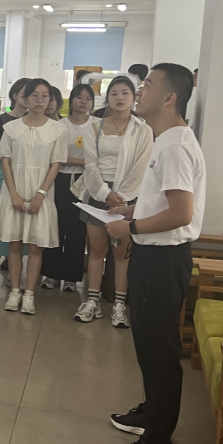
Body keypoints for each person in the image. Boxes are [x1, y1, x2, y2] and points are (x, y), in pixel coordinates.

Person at [107, 63, 206, 444]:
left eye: (147, 85)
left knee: (160, 352)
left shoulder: (175, 146)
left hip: (164, 260)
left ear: (169, 97)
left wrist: (129, 227)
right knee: (147, 345)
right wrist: (132, 210)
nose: (139, 90)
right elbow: (164, 202)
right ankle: (152, 413)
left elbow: (181, 213)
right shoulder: (164, 139)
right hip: (153, 255)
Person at [75, 76, 153, 327]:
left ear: (134, 97)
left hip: (128, 198)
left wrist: (121, 198)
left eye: (125, 93)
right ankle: (92, 300)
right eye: (114, 93)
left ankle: (119, 305)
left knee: (122, 253)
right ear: (107, 99)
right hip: (98, 194)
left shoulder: (143, 130)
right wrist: (105, 194)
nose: (120, 98)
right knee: (96, 251)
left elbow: (141, 167)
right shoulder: (94, 128)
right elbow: (90, 165)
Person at [0, 79, 67, 315]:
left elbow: (56, 164)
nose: (40, 100)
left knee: (35, 247)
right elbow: (5, 161)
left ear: (50, 100)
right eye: (35, 95)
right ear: (26, 98)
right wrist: (14, 194)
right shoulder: (11, 128)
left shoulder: (58, 130)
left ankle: (30, 294)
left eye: (45, 96)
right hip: (14, 191)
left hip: (41, 194)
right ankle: (15, 291)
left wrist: (40, 195)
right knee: (15, 244)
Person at [41, 83, 97, 292]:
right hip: (60, 179)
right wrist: (85, 162)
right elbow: (57, 156)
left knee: (77, 229)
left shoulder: (97, 125)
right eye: (79, 97)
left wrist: (86, 165)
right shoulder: (60, 125)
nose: (83, 102)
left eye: (88, 98)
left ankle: (72, 277)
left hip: (86, 182)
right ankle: (51, 274)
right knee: (55, 226)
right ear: (71, 100)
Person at [0, 78, 29, 291]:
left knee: (21, 228)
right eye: (25, 94)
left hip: (28, 179)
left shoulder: (36, 122)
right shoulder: (1, 120)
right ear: (15, 95)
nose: (29, 98)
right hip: (5, 176)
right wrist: (13, 158)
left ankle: (14, 271)